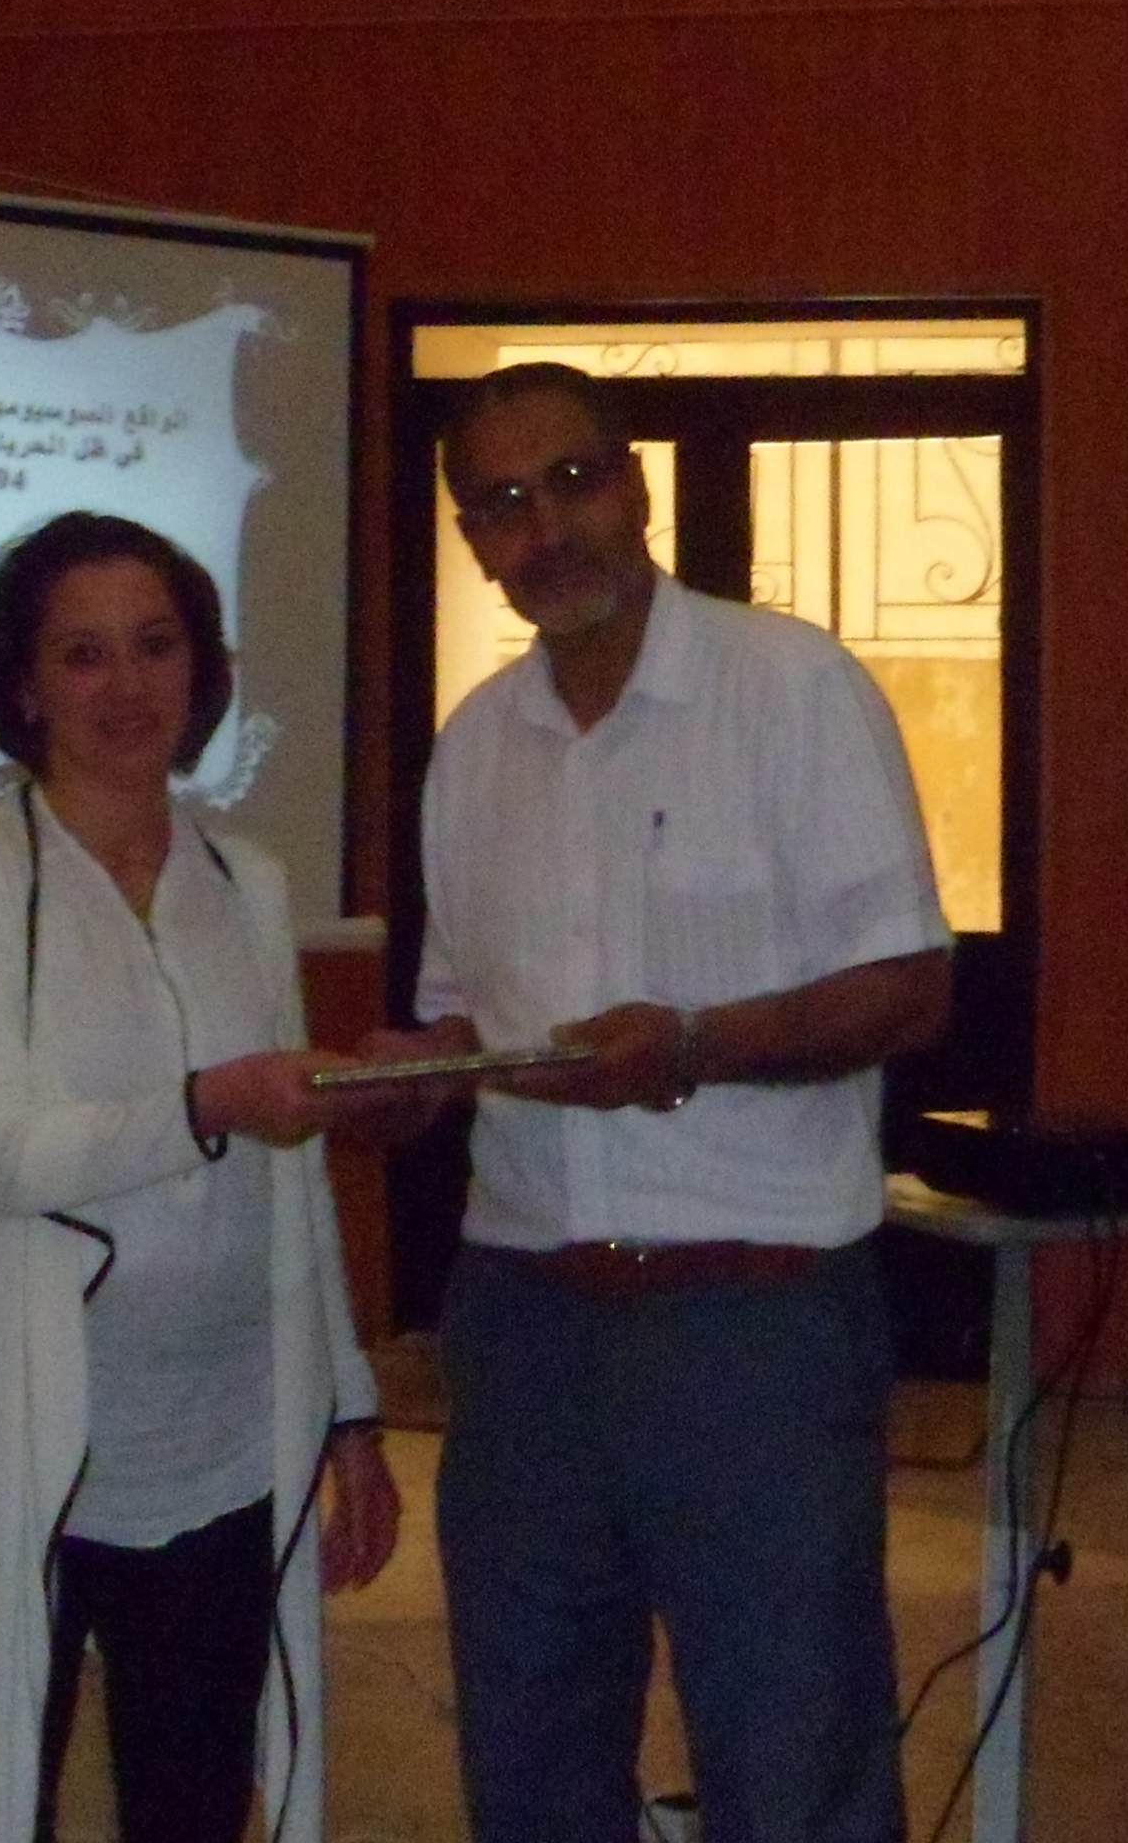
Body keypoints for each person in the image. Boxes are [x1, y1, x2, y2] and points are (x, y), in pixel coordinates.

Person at [389, 364, 955, 1843]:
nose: (547, 526)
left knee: (792, 1758)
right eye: (503, 503)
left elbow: (909, 988)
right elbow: (465, 1011)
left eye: (574, 480)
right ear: (474, 538)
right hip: (521, 1324)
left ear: (635, 484)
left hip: (752, 1326)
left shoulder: (792, 689)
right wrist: (410, 1075)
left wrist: (691, 1046)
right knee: (530, 1757)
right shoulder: (473, 745)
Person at [0, 512, 403, 1843]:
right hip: (15, 1433)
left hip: (218, 1443)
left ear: (202, 668)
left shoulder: (249, 882)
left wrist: (348, 1405)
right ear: (23, 685)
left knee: (193, 1809)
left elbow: (295, 1177)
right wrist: (209, 1101)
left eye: (154, 645)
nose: (125, 684)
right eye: (82, 654)